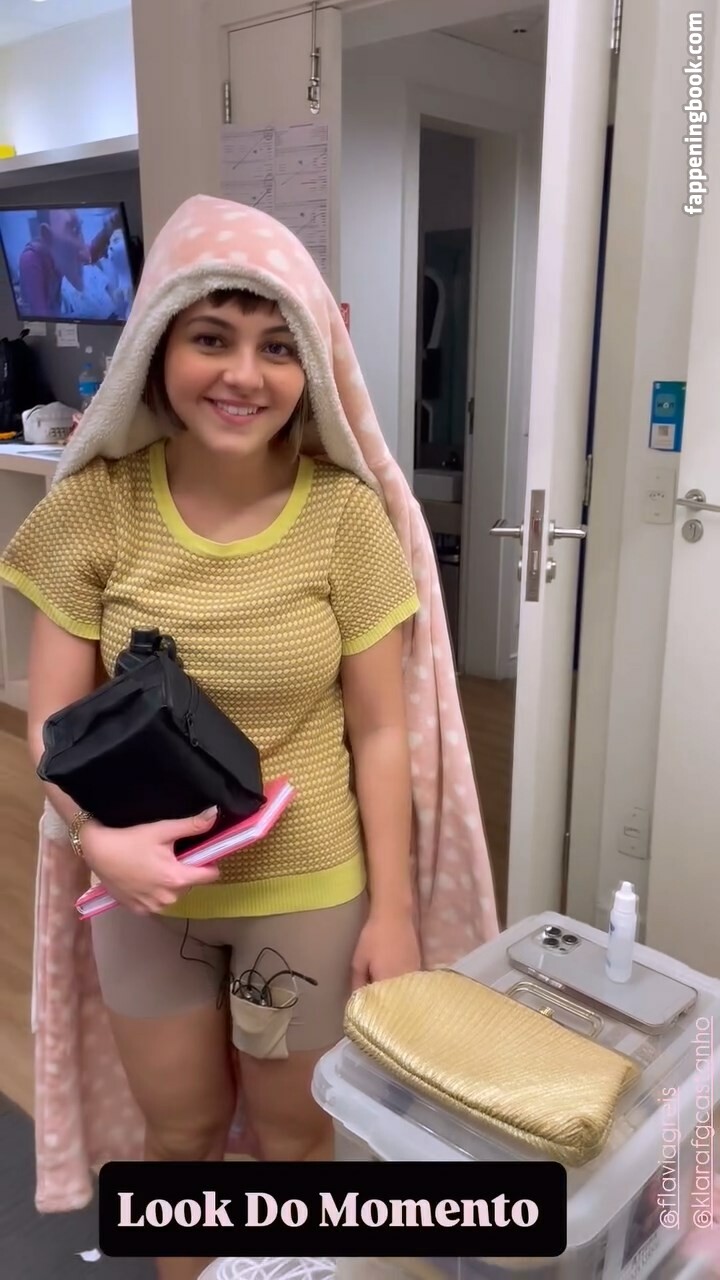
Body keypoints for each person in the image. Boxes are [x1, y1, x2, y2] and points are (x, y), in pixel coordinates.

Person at [0, 196, 498, 1275]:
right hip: (145, 894)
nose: (244, 374)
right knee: (178, 1144)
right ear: (158, 349)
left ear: (312, 368)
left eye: (278, 346)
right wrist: (95, 840)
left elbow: (380, 731)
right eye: (212, 337)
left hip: (307, 888)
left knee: (295, 1143)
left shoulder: (346, 519)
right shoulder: (95, 509)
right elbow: (51, 722)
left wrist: (395, 914)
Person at [18, 206, 121, 317]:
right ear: (47, 235)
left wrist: (108, 228)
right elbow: (40, 315)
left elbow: (90, 255)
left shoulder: (60, 248)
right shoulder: (31, 259)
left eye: (77, 229)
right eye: (73, 230)